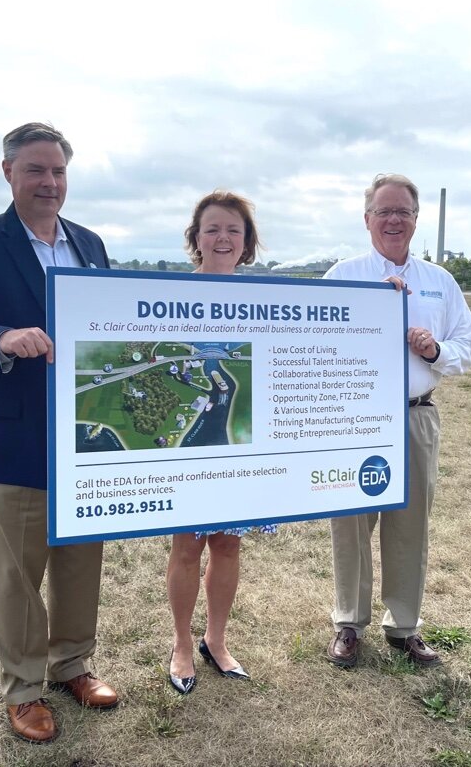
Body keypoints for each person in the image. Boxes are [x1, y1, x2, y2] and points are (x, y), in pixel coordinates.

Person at [0, 122, 117, 744]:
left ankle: (72, 666)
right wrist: (1, 340)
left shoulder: (90, 244)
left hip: (87, 433)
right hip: (17, 436)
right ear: (7, 173)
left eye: (58, 171)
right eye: (36, 170)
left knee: (80, 560)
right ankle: (24, 690)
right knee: (18, 572)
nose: (49, 182)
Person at [323, 173, 471, 669]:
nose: (394, 220)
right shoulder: (343, 275)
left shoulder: (439, 282)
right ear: (366, 218)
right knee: (351, 521)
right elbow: (313, 344)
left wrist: (435, 349)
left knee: (410, 523)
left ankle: (404, 626)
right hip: (356, 417)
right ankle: (349, 622)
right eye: (384, 211)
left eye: (403, 212)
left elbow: (466, 346)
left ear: (416, 220)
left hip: (415, 417)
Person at [167, 191, 277, 695]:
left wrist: (382, 302)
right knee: (187, 544)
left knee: (228, 543)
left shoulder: (264, 301)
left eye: (234, 230)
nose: (223, 238)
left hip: (244, 445)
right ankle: (181, 645)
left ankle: (215, 639)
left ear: (247, 241)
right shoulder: (168, 296)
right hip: (191, 444)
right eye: (212, 229)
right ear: (196, 238)